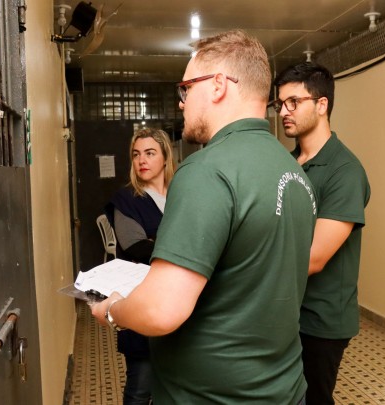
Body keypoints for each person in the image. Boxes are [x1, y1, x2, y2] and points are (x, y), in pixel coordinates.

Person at [91, 30, 317, 404]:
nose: (182, 103)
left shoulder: (205, 171)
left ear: (217, 86)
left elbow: (162, 310)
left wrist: (112, 308)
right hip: (283, 389)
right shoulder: (292, 171)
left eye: (186, 89)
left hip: (211, 396)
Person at [271, 62, 371, 405]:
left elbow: (314, 258)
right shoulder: (288, 162)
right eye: (280, 104)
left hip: (321, 320)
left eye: (294, 102)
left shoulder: (345, 171)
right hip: (286, 310)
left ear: (322, 104)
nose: (284, 112)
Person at [104, 128, 175, 405]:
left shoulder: (181, 193)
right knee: (140, 388)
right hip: (141, 300)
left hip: (178, 300)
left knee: (174, 386)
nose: (141, 160)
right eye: (136, 155)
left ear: (165, 157)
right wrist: (177, 246)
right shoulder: (127, 200)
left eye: (149, 153)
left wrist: (156, 240)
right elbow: (136, 247)